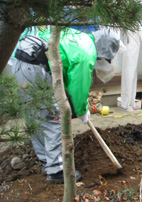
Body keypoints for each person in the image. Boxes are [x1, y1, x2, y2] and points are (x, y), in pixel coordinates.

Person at [11, 27, 97, 183]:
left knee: (33, 114)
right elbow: (78, 86)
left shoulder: (78, 36)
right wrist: (82, 110)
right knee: (54, 119)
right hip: (36, 66)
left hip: (19, 59)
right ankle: (57, 170)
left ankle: (46, 160)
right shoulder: (86, 53)